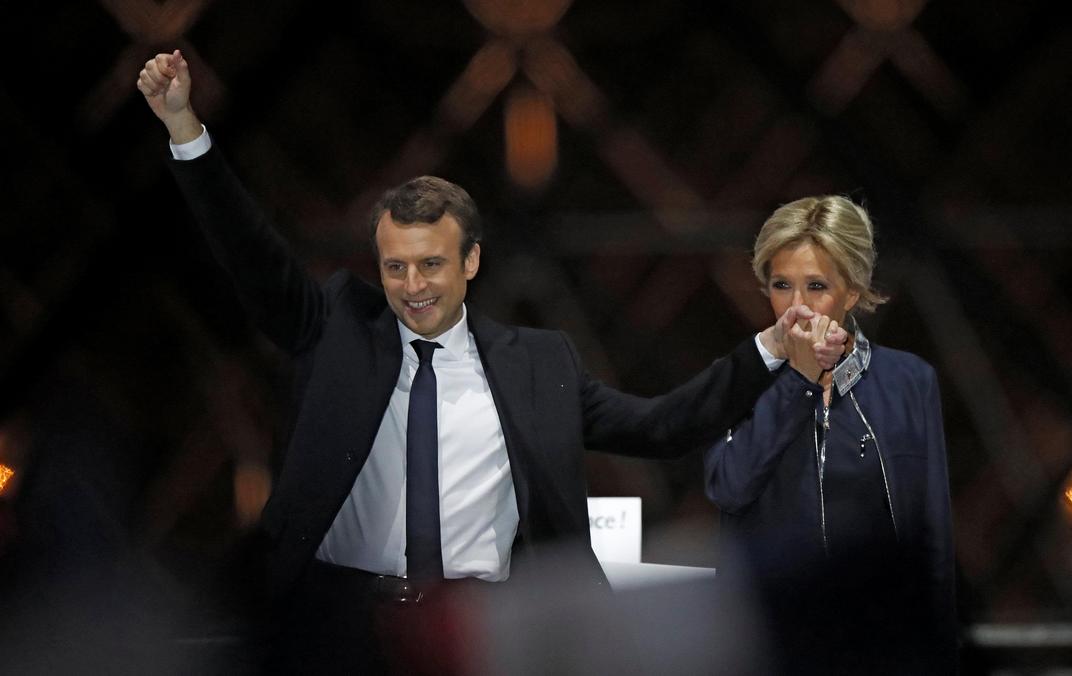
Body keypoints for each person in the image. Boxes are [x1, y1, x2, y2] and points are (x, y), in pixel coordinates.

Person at [136, 51, 846, 674]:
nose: (412, 286)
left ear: (471, 261)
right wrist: (184, 130)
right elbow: (252, 258)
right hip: (348, 635)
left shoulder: (540, 364)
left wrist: (772, 349)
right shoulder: (338, 329)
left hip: (488, 638)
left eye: (432, 265)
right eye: (396, 267)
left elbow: (662, 427)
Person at [704, 196, 957, 674]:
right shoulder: (738, 379)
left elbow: (933, 538)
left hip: (882, 650)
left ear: (853, 292)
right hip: (772, 650)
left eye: (816, 286)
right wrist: (798, 380)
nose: (796, 307)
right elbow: (728, 487)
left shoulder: (909, 381)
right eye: (782, 285)